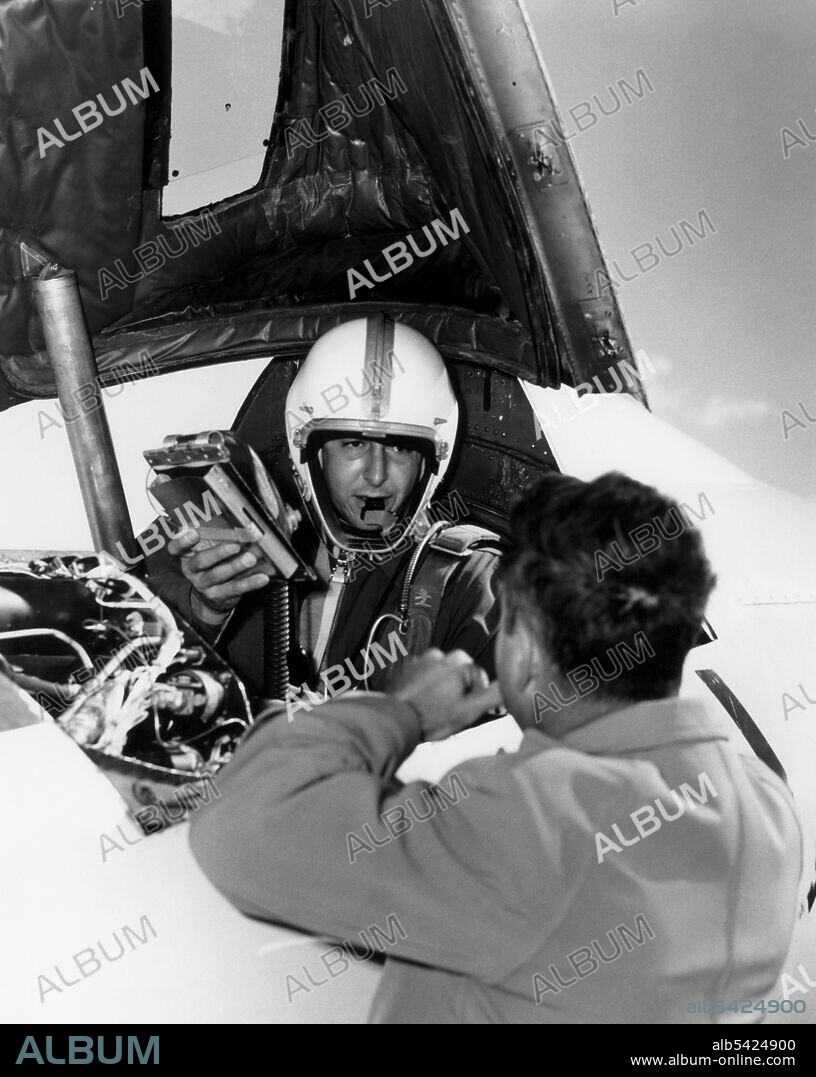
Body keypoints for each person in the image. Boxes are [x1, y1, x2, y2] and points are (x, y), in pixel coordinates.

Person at [189, 471, 803, 1024]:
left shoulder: (534, 819)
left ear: (528, 651)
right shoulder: (767, 805)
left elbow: (242, 825)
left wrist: (400, 710)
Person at [149, 315, 502, 701]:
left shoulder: (473, 582)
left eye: (400, 448)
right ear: (310, 454)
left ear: (431, 461)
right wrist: (205, 609)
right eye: (353, 444)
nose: (376, 475)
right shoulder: (218, 542)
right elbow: (125, 686)